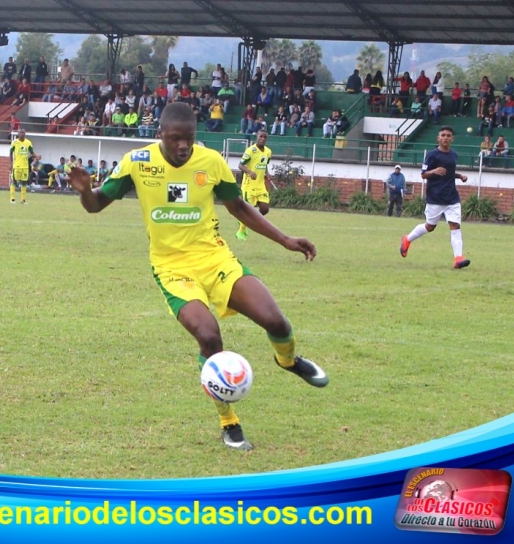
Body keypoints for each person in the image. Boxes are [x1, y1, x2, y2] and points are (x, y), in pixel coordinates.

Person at [66, 103, 327, 451]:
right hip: (171, 267)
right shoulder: (137, 163)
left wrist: (285, 239)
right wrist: (85, 191)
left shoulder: (211, 162)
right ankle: (228, 421)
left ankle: (289, 360)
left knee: (276, 321)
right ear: (160, 135)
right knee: (208, 336)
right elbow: (96, 204)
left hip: (214, 257)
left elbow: (239, 207)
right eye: (175, 139)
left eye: (188, 139)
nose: (183, 147)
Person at [400, 126, 470, 270]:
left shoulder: (453, 155)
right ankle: (407, 239)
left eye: (448, 135)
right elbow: (423, 174)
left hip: (452, 198)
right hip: (435, 197)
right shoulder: (432, 155)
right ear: (438, 138)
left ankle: (458, 259)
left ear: (452, 139)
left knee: (455, 226)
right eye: (443, 135)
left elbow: (449, 172)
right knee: (430, 226)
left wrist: (459, 176)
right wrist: (434, 171)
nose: (445, 137)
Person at [236, 130, 273, 242]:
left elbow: (265, 164)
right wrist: (249, 172)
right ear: (257, 137)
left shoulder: (268, 152)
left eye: (265, 137)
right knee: (249, 211)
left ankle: (246, 221)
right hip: (249, 186)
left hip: (260, 186)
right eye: (260, 136)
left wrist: (267, 173)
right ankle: (241, 231)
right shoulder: (250, 150)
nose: (262, 139)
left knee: (265, 209)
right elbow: (240, 165)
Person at [9, 128, 35, 204]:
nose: (21, 133)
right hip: (16, 166)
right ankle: (12, 199)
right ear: (18, 133)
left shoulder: (28, 142)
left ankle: (23, 200)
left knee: (24, 183)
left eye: (22, 132)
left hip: (25, 166)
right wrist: (10, 164)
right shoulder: (14, 142)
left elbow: (32, 152)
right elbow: (10, 153)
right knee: (14, 181)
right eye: (20, 132)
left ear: (25, 133)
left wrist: (37, 156)